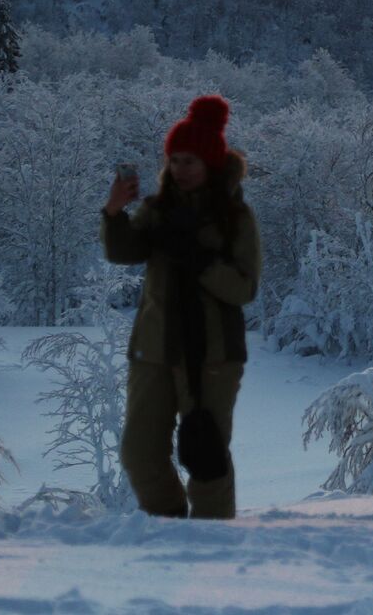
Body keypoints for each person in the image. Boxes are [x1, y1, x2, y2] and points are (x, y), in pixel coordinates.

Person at [100, 94, 261, 519]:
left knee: (205, 455)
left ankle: (211, 543)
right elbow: (125, 251)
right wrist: (115, 212)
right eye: (175, 160)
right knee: (139, 453)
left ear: (210, 163)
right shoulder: (158, 211)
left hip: (212, 354)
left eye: (190, 161)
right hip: (153, 348)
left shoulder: (234, 218)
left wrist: (199, 259)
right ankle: (170, 525)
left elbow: (245, 288)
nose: (180, 169)